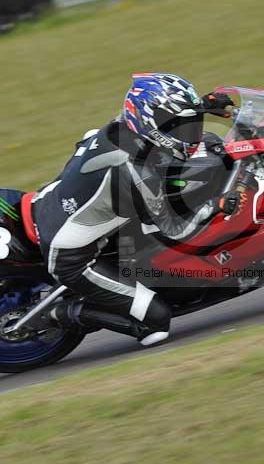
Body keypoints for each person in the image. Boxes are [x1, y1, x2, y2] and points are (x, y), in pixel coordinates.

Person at [30, 73, 235, 346]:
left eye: (189, 124)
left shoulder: (127, 125)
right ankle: (62, 313)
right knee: (157, 321)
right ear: (151, 123)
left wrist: (204, 105)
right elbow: (174, 229)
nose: (190, 134)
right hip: (72, 257)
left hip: (57, 201)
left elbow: (169, 119)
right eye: (180, 127)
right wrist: (217, 205)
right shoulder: (136, 173)